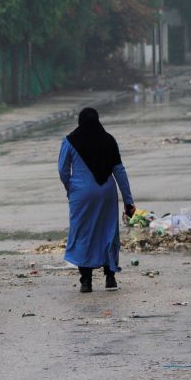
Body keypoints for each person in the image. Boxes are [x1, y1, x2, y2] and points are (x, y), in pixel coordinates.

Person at [58, 108, 135, 293]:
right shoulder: (108, 140)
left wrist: (72, 188)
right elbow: (119, 171)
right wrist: (128, 200)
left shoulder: (69, 141)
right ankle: (110, 277)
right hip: (107, 193)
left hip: (81, 194)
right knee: (108, 231)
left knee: (83, 232)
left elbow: (62, 170)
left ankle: (86, 280)